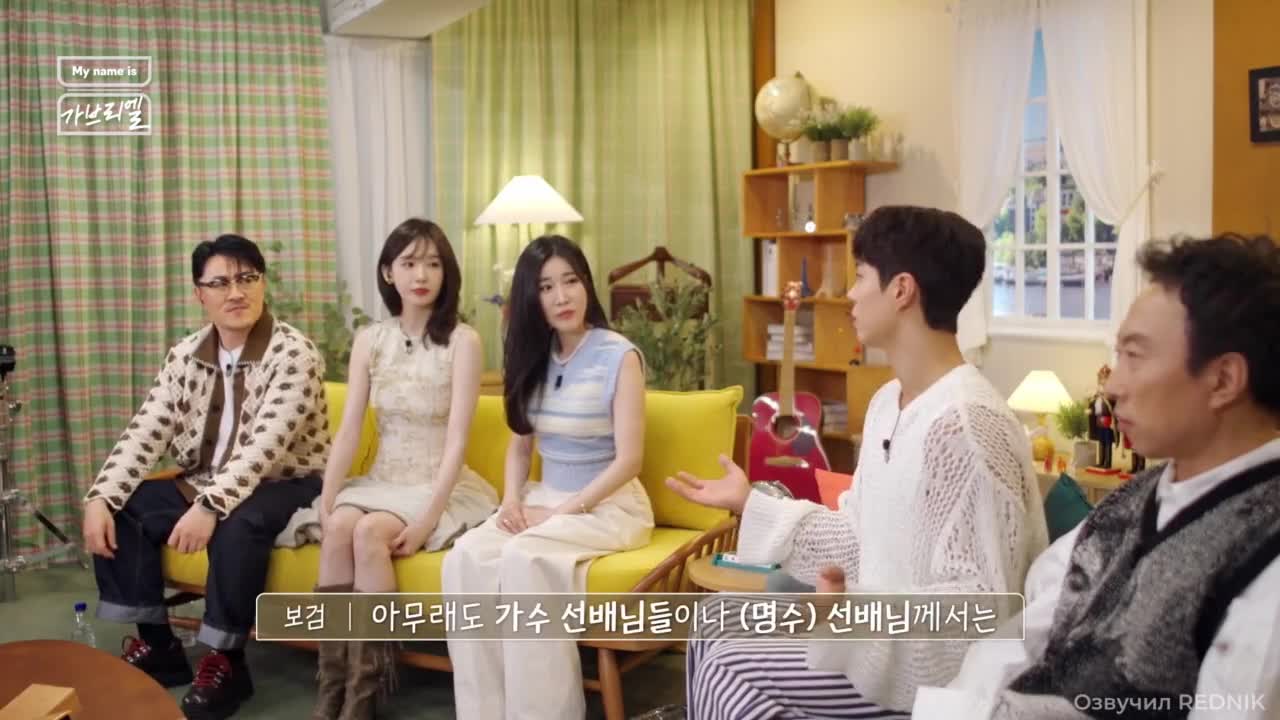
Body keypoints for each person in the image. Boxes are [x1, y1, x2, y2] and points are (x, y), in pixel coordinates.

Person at [666, 206, 1049, 717]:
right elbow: (859, 535)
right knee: (714, 619)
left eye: (861, 276)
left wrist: (849, 618)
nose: (849, 294)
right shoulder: (888, 402)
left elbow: (978, 613)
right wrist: (749, 502)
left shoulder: (966, 425)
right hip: (870, 633)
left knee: (732, 669)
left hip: (940, 680)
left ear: (902, 290)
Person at [912, 233, 1280, 720]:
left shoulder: (1265, 557)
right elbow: (1022, 641)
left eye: (1135, 356)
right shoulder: (1130, 503)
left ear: (1224, 379)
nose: (1112, 385)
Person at [82, 234, 330, 720]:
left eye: (247, 278)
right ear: (200, 294)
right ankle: (160, 648)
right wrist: (101, 496)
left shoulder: (294, 354)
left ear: (262, 284)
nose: (236, 292)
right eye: (220, 283)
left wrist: (210, 506)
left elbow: (263, 450)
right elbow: (147, 429)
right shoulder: (185, 355)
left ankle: (226, 662)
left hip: (287, 482)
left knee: (237, 524)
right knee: (126, 507)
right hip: (205, 478)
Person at [442, 234, 654, 719]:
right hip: (544, 497)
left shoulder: (619, 356)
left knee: (525, 558)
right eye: (546, 287)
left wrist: (559, 513)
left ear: (586, 285)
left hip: (609, 504)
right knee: (465, 557)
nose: (562, 297)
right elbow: (521, 445)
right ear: (531, 299)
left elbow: (630, 461)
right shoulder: (533, 356)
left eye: (571, 281)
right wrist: (511, 501)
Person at [309, 219, 497, 719]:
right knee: (339, 527)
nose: (421, 274)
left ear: (446, 273)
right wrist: (328, 499)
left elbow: (458, 439)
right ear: (388, 273)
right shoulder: (371, 340)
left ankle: (363, 697)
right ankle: (332, 689)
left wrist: (427, 520)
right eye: (409, 263)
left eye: (433, 263)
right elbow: (350, 428)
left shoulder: (463, 341)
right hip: (383, 479)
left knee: (369, 531)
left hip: (436, 483)